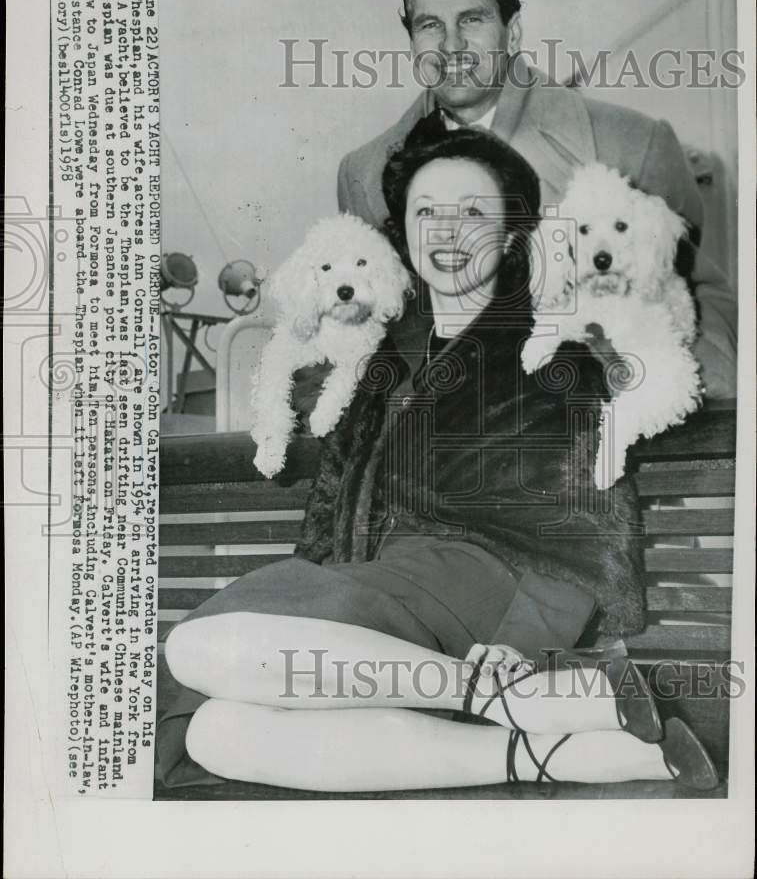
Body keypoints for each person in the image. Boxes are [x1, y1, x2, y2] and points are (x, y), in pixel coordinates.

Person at [156, 118, 718, 793]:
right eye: (426, 213)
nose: (446, 232)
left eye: (473, 214)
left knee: (194, 647)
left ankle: (501, 693)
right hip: (377, 597)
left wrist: (526, 643)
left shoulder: (554, 342)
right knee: (216, 732)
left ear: (513, 232)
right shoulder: (382, 352)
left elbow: (588, 513)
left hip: (478, 593)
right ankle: (560, 749)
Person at [338, 0, 737, 400]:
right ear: (412, 41)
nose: (451, 45)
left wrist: (668, 397)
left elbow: (702, 296)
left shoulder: (632, 144)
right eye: (430, 25)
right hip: (439, 446)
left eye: (472, 19)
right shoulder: (364, 175)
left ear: (512, 32)